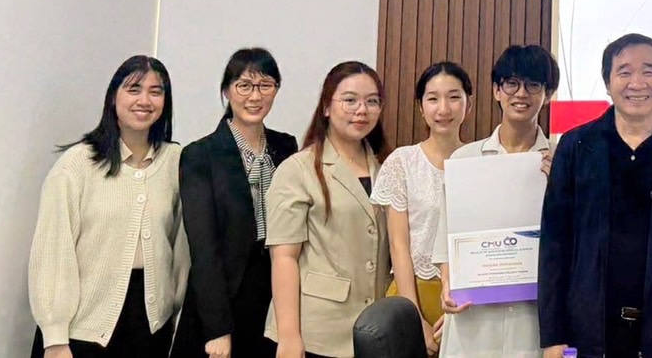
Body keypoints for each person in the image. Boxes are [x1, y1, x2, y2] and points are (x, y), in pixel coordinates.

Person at [538, 33, 652, 358]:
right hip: (589, 335)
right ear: (607, 82)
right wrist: (553, 337)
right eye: (624, 72)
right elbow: (554, 245)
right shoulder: (576, 146)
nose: (637, 83)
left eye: (649, 71)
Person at [29, 54, 189, 358]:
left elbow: (182, 249)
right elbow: (53, 252)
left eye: (155, 92)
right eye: (134, 89)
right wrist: (55, 337)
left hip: (149, 328)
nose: (144, 100)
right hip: (80, 329)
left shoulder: (176, 163)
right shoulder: (77, 165)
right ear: (113, 97)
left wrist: (176, 313)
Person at [434, 44, 559, 358]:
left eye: (533, 84)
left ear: (548, 94)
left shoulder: (561, 162)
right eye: (511, 83)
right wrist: (448, 286)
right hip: (474, 318)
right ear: (496, 91)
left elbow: (577, 240)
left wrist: (561, 188)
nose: (521, 94)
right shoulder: (465, 160)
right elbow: (447, 240)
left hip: (534, 317)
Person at [173, 47, 299, 358]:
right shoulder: (200, 155)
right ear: (227, 91)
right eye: (244, 85)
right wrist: (217, 328)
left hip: (274, 291)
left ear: (276, 89)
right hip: (223, 298)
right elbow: (203, 248)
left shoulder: (286, 147)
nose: (255, 96)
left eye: (265, 85)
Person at [265, 60, 391, 358]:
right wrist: (289, 336)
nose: (362, 110)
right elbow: (284, 257)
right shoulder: (299, 169)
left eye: (372, 101)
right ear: (326, 107)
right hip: (317, 332)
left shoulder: (387, 167)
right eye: (350, 100)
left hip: (376, 329)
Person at [371, 61, 473, 355]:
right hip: (412, 293)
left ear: (469, 103)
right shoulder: (402, 162)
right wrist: (414, 315)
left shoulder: (478, 161)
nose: (443, 109)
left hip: (465, 300)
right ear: (420, 106)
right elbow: (398, 245)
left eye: (454, 97)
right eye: (433, 98)